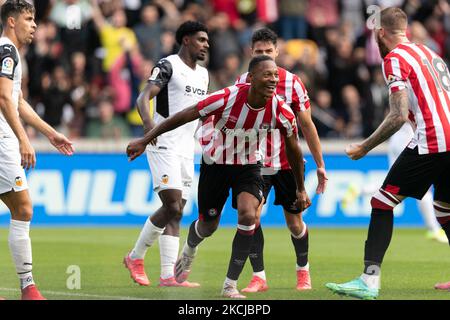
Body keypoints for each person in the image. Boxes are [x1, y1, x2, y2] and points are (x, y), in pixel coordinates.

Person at [126, 55, 311, 298]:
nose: (273, 80)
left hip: (249, 165)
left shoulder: (282, 111)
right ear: (252, 77)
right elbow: (185, 115)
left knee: (248, 215)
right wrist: (145, 138)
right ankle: (190, 248)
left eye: (276, 75)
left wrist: (300, 188)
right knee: (208, 225)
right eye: (267, 75)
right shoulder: (227, 97)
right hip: (216, 163)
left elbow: (295, 151)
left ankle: (229, 286)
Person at [326, 7, 450, 300]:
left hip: (434, 139)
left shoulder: (394, 59)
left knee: (382, 201)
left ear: (380, 33)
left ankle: (369, 281)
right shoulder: (429, 52)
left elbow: (396, 115)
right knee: (444, 209)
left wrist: (363, 147)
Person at [231, 28, 327, 293]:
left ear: (277, 52)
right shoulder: (242, 82)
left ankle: (303, 272)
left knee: (295, 223)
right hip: (255, 161)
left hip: (287, 163)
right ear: (252, 52)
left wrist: (320, 165)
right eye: (259, 52)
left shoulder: (293, 83)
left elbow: (307, 126)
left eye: (268, 52)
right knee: (252, 218)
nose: (263, 55)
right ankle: (259, 277)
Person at [123, 21, 209, 288]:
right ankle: (135, 256)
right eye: (201, 39)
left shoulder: (204, 75)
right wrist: (150, 130)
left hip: (186, 148)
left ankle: (167, 276)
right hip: (163, 144)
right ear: (185, 40)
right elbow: (142, 98)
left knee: (178, 211)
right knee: (171, 204)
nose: (206, 44)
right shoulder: (168, 65)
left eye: (207, 40)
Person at [0, 0, 74, 300]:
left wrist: (50, 133)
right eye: (29, 19)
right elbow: (4, 99)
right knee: (24, 208)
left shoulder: (10, 52)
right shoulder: (7, 50)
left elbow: (16, 101)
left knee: (21, 208)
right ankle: (28, 287)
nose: (35, 25)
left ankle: (27, 287)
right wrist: (23, 139)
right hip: (2, 139)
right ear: (12, 22)